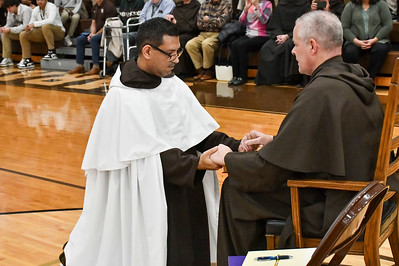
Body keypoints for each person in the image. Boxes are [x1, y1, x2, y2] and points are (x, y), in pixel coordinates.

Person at [61, 17, 242, 265]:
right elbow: (148, 156)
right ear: (147, 51)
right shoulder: (123, 98)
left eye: (177, 52)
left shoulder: (173, 84)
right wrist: (197, 164)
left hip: (189, 187)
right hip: (154, 195)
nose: (176, 59)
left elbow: (197, 131)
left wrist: (236, 145)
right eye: (170, 54)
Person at [212, 11, 385, 266]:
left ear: (312, 46)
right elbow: (334, 141)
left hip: (334, 205)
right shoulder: (355, 76)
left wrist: (230, 158)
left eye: (295, 44)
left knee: (237, 189)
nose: (292, 51)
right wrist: (276, 141)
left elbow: (268, 172)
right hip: (363, 193)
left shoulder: (320, 91)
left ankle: (247, 264)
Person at [255, 0, 309, 85]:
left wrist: (288, 36)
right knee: (266, 48)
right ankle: (268, 79)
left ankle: (286, 79)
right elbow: (275, 24)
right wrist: (279, 35)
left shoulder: (304, 5)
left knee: (286, 46)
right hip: (280, 35)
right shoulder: (281, 5)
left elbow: (304, 25)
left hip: (294, 35)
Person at [341, 0, 393, 79]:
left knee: (380, 49)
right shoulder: (350, 6)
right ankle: (354, 79)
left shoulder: (381, 4)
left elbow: (388, 25)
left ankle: (369, 79)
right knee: (350, 52)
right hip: (355, 41)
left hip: (377, 40)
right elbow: (344, 27)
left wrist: (374, 40)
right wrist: (357, 41)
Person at [228, 0, 273, 85]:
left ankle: (243, 77)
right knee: (234, 44)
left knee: (242, 45)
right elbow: (241, 22)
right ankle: (235, 76)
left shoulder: (267, 4)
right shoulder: (249, 4)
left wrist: (257, 7)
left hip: (262, 35)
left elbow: (264, 21)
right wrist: (245, 9)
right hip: (249, 34)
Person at [185, 0, 232, 80]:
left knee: (206, 44)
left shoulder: (226, 4)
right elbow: (199, 24)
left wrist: (208, 20)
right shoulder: (204, 4)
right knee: (190, 44)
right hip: (203, 33)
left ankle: (208, 70)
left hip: (218, 33)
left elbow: (222, 23)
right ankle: (200, 70)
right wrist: (214, 20)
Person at [68, 0, 116, 75]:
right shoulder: (94, 7)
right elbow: (93, 23)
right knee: (80, 39)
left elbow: (108, 25)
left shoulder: (109, 6)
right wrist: (92, 33)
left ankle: (96, 66)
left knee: (94, 39)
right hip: (96, 34)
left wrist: (95, 35)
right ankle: (80, 65)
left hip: (107, 34)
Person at [17, 0, 65, 69]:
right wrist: (28, 28)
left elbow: (50, 20)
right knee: (23, 34)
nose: (39, 2)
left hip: (58, 32)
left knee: (46, 26)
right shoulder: (35, 10)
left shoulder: (52, 6)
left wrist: (34, 24)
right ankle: (27, 59)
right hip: (44, 32)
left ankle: (51, 52)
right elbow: (31, 23)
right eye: (38, 0)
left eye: (41, 0)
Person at [165, 0, 201, 78]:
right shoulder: (177, 7)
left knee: (181, 39)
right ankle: (168, 69)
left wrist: (177, 24)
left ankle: (184, 72)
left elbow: (193, 26)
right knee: (166, 38)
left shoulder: (196, 6)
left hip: (191, 34)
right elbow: (173, 22)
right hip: (177, 32)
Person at [0, 0, 32, 68]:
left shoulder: (26, 10)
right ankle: (7, 58)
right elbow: (9, 24)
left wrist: (11, 29)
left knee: (22, 34)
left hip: (30, 31)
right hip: (19, 31)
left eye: (9, 8)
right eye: (7, 8)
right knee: (5, 33)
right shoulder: (10, 11)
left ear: (15, 5)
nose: (8, 10)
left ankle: (26, 58)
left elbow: (25, 26)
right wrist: (3, 28)